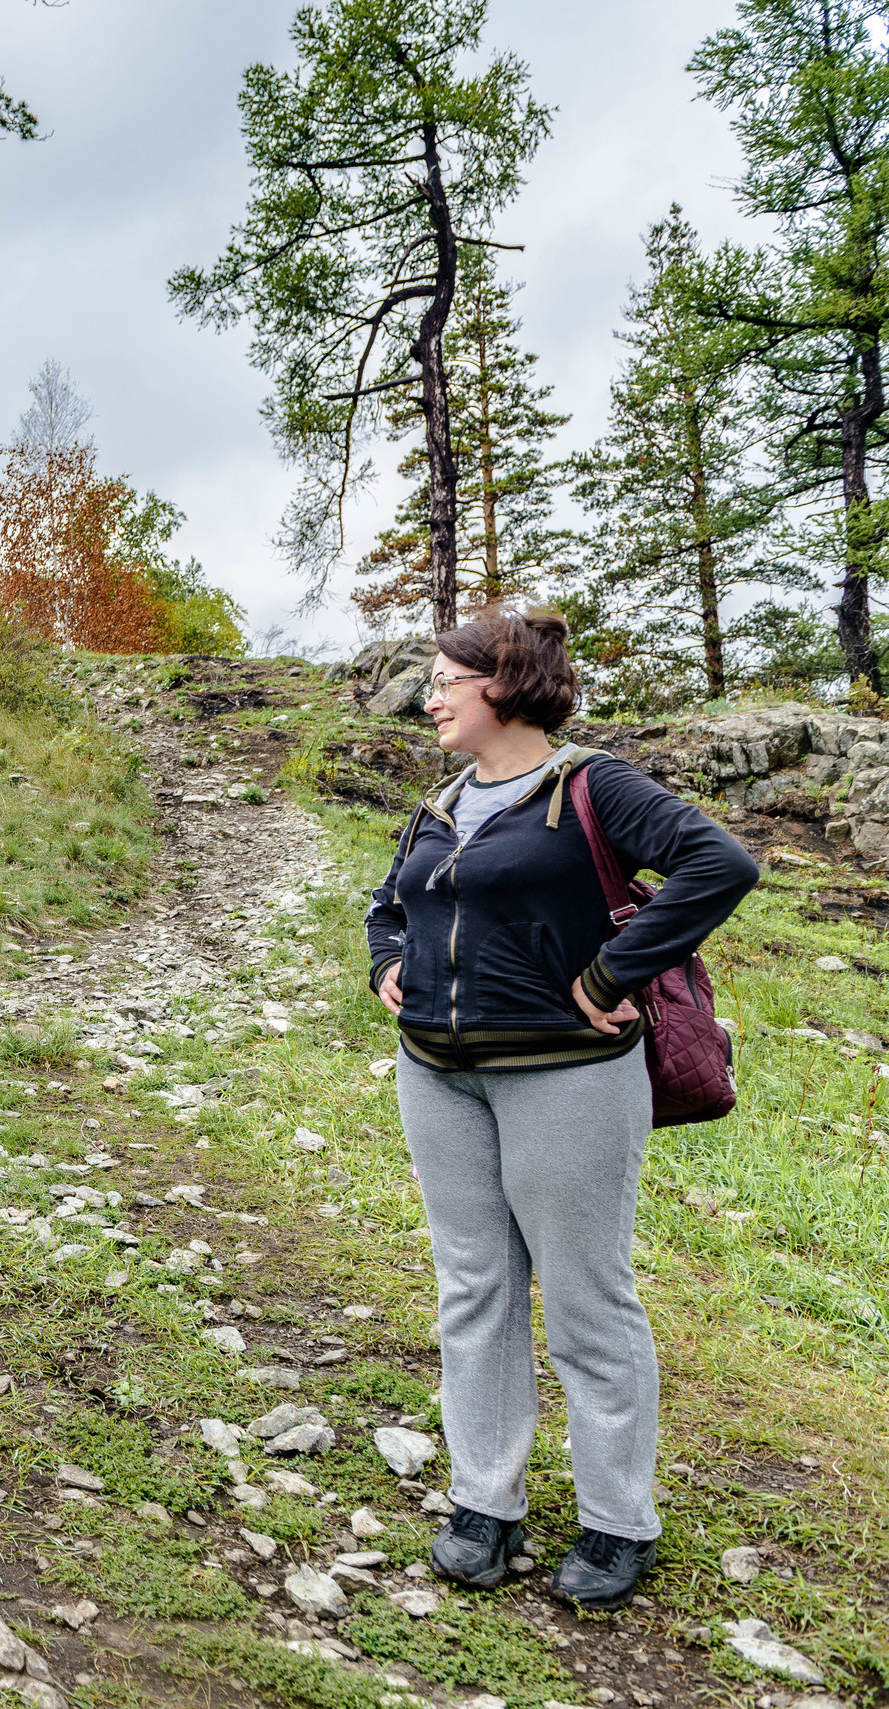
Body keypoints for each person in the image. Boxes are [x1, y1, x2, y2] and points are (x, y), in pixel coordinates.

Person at [365, 610, 757, 1613]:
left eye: (445, 678)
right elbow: (389, 902)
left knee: (586, 1295)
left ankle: (617, 1519)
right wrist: (386, 965)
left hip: (566, 1073)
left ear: (502, 683)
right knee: (473, 1286)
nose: (429, 696)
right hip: (438, 1075)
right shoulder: (444, 799)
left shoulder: (590, 783)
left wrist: (614, 968)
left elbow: (720, 865)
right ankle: (483, 1502)